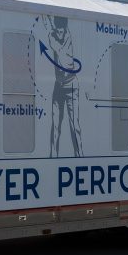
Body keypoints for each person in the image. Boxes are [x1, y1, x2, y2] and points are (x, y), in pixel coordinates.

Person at [47, 15, 82, 157]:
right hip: (59, 85)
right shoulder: (52, 35)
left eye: (62, 31)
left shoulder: (68, 37)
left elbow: (62, 57)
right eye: (57, 31)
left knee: (75, 125)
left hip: (71, 85)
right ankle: (52, 156)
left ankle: (80, 156)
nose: (60, 34)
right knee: (55, 124)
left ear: (65, 29)